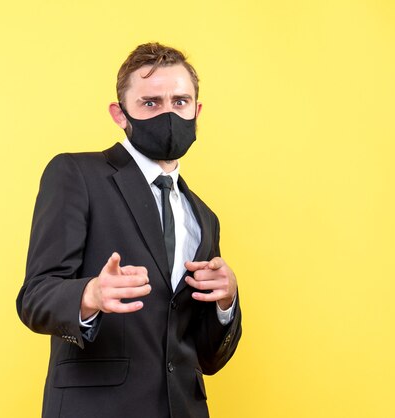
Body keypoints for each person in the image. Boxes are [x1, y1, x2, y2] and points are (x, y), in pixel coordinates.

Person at [16, 42, 242, 418]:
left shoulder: (203, 216)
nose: (168, 113)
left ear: (197, 111)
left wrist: (226, 302)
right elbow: (34, 297)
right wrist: (88, 294)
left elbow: (207, 356)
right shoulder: (76, 175)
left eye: (180, 102)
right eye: (150, 103)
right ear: (120, 114)